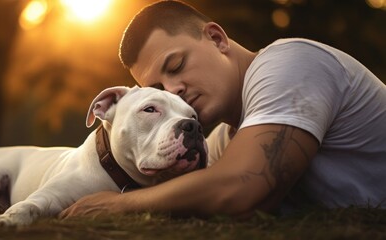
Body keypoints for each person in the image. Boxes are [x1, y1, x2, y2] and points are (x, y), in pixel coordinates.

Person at [60, 0, 386, 218]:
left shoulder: (291, 63)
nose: (174, 91)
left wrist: (118, 206)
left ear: (217, 39)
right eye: (157, 90)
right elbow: (205, 190)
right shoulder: (222, 143)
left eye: (176, 65)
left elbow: (242, 188)